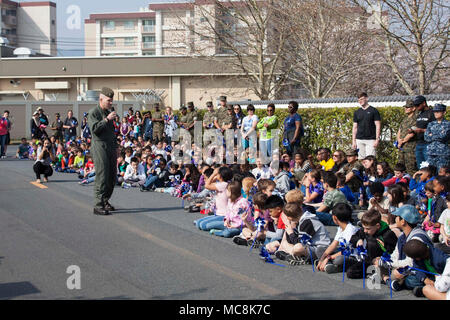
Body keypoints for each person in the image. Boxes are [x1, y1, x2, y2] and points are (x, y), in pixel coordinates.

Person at [87, 87, 117, 215]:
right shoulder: (94, 112)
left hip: (110, 146)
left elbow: (111, 133)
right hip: (99, 146)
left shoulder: (108, 112)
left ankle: (105, 200)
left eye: (111, 100)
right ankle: (98, 205)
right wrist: (107, 120)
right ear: (101, 99)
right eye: (108, 100)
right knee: (102, 175)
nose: (111, 103)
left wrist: (117, 147)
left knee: (111, 176)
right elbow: (94, 129)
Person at [317, 203, 360, 273]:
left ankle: (336, 267)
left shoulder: (350, 230)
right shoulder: (341, 228)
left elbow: (347, 251)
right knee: (320, 249)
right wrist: (322, 259)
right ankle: (327, 265)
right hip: (342, 252)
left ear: (334, 217)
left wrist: (329, 257)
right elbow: (333, 245)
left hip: (352, 255)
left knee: (339, 259)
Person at [352, 92, 381, 159]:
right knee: (360, 159)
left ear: (367, 99)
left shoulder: (374, 111)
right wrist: (354, 141)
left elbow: (378, 125)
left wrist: (377, 139)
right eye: (359, 100)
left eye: (362, 99)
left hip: (371, 139)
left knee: (370, 159)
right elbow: (355, 127)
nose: (360, 101)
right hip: (359, 139)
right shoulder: (357, 112)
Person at [410, 95, 435, 169]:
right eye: (415, 105)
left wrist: (422, 130)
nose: (416, 107)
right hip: (419, 143)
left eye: (418, 105)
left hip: (428, 143)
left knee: (429, 167)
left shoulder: (431, 113)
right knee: (420, 167)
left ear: (424, 103)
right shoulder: (419, 114)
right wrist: (413, 131)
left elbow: (435, 129)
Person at [425, 104, 450, 171]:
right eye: (435, 112)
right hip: (431, 152)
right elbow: (426, 137)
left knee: (441, 174)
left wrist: (432, 135)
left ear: (444, 112)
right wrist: (438, 134)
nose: (435, 113)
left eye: (438, 111)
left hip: (443, 153)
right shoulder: (431, 124)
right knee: (429, 173)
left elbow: (443, 137)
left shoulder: (448, 124)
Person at [396, 99, 418, 176]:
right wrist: (398, 140)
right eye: (405, 107)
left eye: (408, 107)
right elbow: (400, 130)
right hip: (402, 147)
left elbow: (412, 133)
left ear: (413, 108)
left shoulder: (416, 119)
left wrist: (403, 141)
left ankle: (414, 185)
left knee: (411, 168)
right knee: (400, 167)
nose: (406, 109)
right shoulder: (405, 119)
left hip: (410, 148)